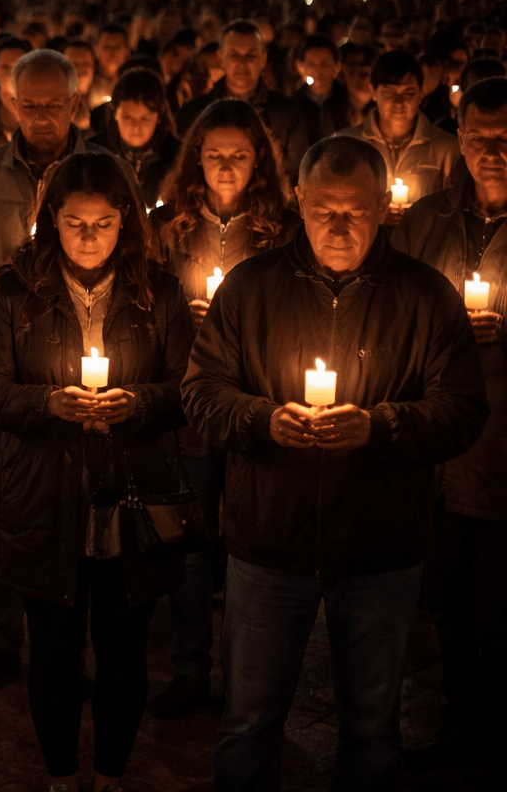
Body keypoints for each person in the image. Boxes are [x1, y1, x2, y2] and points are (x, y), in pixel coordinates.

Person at [182, 135, 489, 792]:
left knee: (374, 734)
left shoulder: (426, 296)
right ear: (299, 199)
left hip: (379, 548)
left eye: (355, 210)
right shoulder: (251, 286)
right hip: (267, 544)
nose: (339, 226)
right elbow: (201, 394)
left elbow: (463, 409)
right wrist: (264, 420)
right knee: (247, 728)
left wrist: (379, 427)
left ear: (384, 206)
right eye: (324, 210)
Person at [0, 151, 192, 792]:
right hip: (45, 496)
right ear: (50, 223)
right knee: (54, 654)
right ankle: (63, 775)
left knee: (124, 653)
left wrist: (140, 403)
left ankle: (113, 773)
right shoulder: (17, 292)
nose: (89, 238)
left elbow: (192, 389)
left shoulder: (158, 291)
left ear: (126, 221)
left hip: (133, 496)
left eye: (103, 223)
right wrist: (47, 403)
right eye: (74, 223)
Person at [0, 48, 109, 692]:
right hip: (4, 367)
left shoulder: (101, 172)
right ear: (10, 103)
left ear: (75, 104)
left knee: (83, 501)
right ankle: (0, 636)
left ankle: (72, 636)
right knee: (4, 503)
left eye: (54, 106)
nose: (41, 118)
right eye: (29, 106)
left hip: (86, 360)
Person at [147, 99, 299, 720]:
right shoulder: (167, 226)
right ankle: (189, 668)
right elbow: (147, 309)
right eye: (214, 157)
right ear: (196, 161)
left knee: (247, 547)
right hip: (187, 406)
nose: (227, 168)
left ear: (259, 159)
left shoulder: (285, 230)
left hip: (255, 404)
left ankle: (249, 679)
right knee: (188, 543)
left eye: (239, 156)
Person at [390, 77, 507, 784]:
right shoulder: (427, 221)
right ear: (458, 140)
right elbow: (394, 313)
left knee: (498, 613)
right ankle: (461, 722)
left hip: (501, 462)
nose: (491, 153)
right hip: (434, 459)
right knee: (449, 608)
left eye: (504, 141)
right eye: (478, 138)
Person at [177, 20, 309, 188]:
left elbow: (295, 174)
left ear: (263, 59)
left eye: (250, 55)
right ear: (220, 59)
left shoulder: (288, 113)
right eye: (234, 55)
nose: (242, 63)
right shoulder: (193, 114)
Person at [338, 49, 458, 223]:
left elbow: (454, 210)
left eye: (409, 92)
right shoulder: (346, 144)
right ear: (373, 91)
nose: (399, 102)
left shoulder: (447, 149)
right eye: (388, 92)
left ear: (421, 93)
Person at [93, 70, 181, 205]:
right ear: (114, 112)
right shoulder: (94, 153)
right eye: (128, 118)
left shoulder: (178, 157)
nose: (136, 127)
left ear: (159, 115)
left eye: (144, 119)